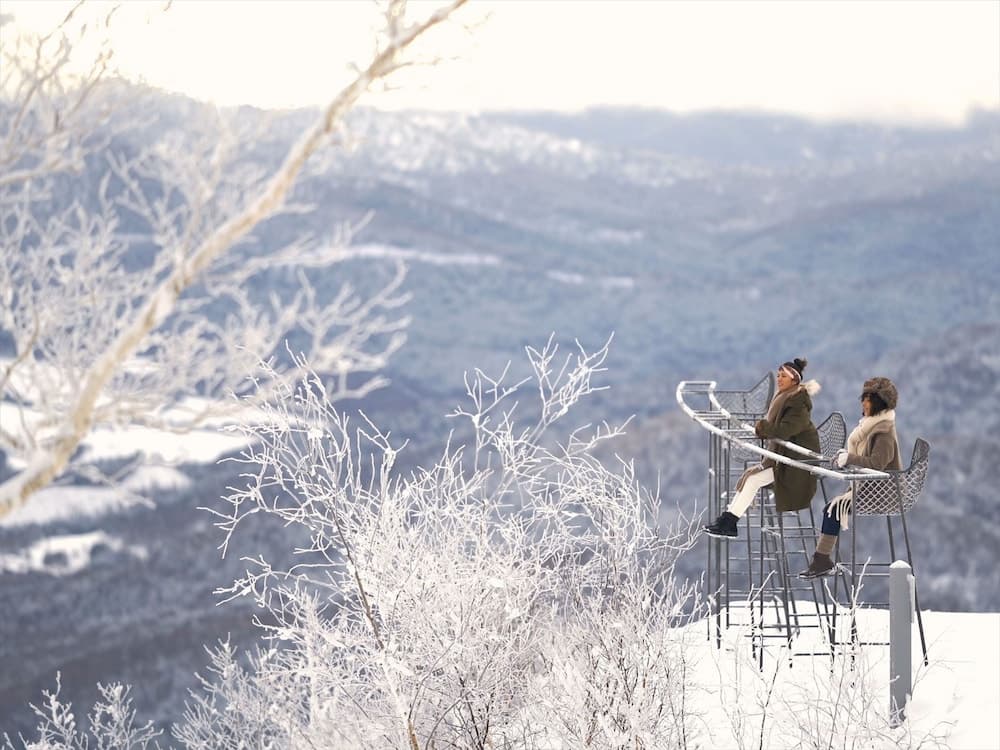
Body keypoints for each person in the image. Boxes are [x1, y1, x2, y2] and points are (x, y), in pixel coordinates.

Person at [704, 358, 821, 539]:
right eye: (778, 375)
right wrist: (764, 430)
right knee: (751, 478)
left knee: (753, 480)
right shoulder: (785, 397)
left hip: (795, 463)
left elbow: (786, 430)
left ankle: (729, 522)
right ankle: (727, 520)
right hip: (782, 458)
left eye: (784, 376)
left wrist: (764, 428)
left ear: (794, 380)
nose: (780, 379)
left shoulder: (798, 402)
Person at [799, 377, 901, 578]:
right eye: (863, 398)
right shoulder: (870, 426)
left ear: (879, 403)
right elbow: (864, 459)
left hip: (883, 492)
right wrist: (845, 458)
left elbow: (877, 464)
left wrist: (850, 458)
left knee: (833, 509)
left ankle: (821, 561)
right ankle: (822, 561)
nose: (863, 403)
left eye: (868, 399)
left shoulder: (884, 432)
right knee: (831, 509)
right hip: (869, 487)